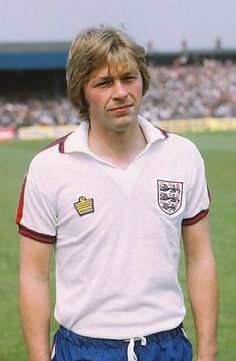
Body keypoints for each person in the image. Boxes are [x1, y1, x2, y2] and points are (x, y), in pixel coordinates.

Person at [16, 27, 218, 361]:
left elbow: (200, 258)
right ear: (82, 91)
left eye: (129, 78)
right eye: (104, 83)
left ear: (144, 81)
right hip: (82, 348)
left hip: (167, 346)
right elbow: (33, 275)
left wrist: (208, 351)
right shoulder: (48, 168)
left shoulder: (182, 156)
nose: (121, 92)